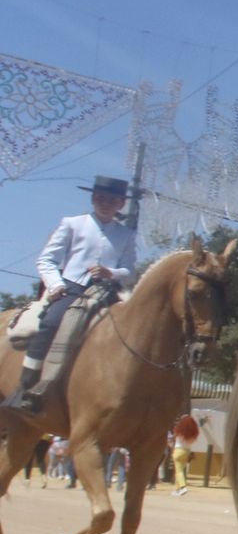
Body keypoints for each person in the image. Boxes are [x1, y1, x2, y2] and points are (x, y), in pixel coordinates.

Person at [3, 175, 138, 413]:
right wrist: (56, 284)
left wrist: (111, 272)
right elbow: (46, 260)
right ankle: (25, 386)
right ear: (93, 199)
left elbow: (129, 271)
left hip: (107, 291)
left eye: (112, 200)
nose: (105, 203)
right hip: (72, 286)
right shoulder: (73, 224)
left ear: (120, 204)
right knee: (51, 322)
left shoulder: (126, 235)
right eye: (101, 198)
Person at [171, 413, 199, 496]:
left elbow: (173, 438)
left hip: (178, 451)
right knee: (180, 471)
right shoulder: (193, 433)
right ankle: (178, 490)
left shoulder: (179, 431)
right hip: (187, 452)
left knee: (178, 471)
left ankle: (183, 487)